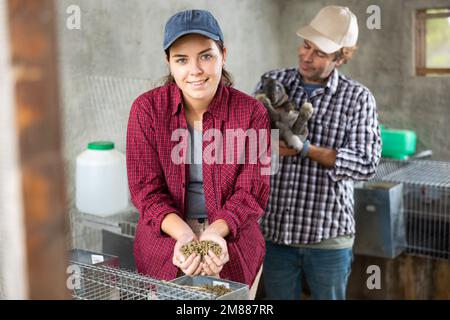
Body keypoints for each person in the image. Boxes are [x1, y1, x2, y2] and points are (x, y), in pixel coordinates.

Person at [126, 9, 271, 299]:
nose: (195, 70)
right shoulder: (147, 110)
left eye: (206, 56)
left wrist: (215, 233)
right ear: (168, 63)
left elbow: (251, 191)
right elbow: (146, 191)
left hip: (232, 236)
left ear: (223, 55)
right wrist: (184, 235)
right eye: (181, 59)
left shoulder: (251, 112)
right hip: (166, 238)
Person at [254, 6, 382, 300]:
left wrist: (306, 149)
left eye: (320, 53)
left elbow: (366, 163)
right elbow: (245, 139)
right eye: (306, 45)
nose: (306, 56)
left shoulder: (357, 98)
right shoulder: (273, 81)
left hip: (327, 237)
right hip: (275, 233)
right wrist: (265, 145)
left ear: (340, 58)